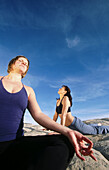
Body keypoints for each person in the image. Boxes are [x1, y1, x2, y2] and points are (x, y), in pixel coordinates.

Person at [0, 56, 96, 170]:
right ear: (12, 64)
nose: (23, 63)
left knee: (66, 141)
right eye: (20, 60)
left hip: (15, 144)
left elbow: (38, 115)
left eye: (26, 63)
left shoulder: (28, 90)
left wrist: (67, 131)